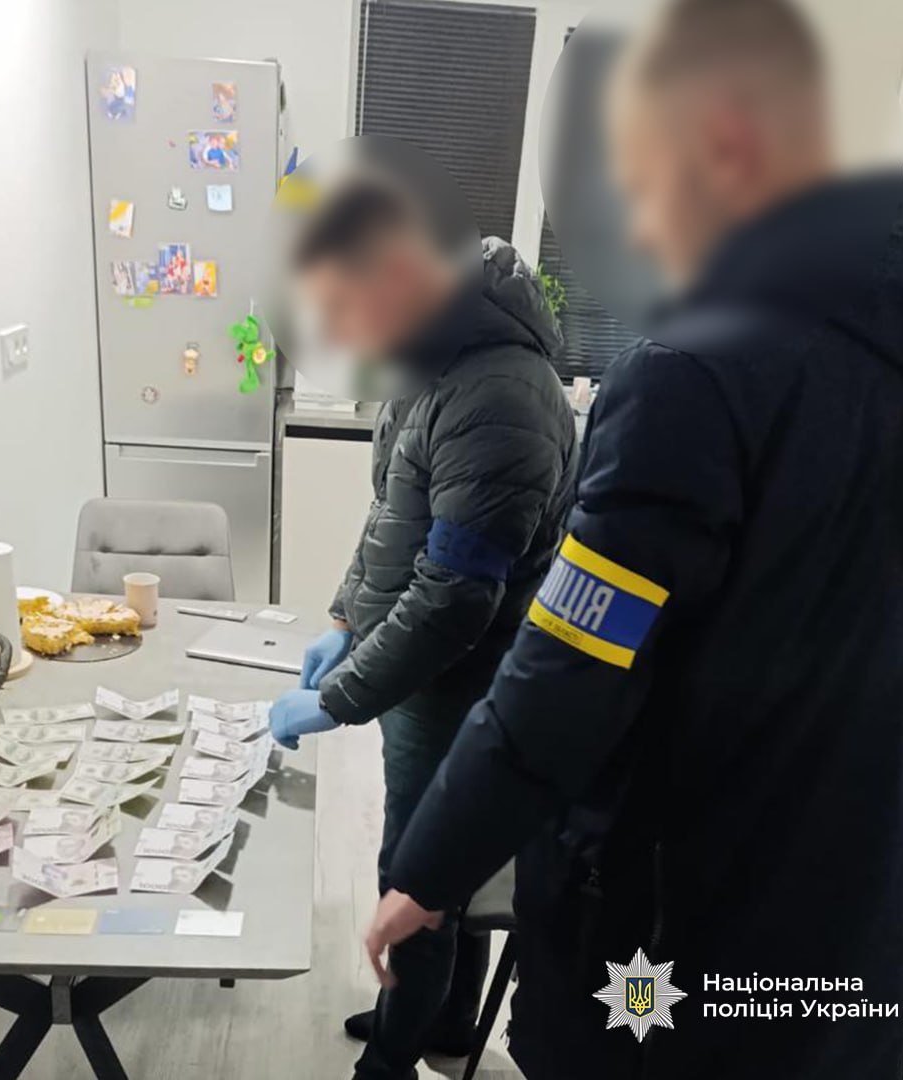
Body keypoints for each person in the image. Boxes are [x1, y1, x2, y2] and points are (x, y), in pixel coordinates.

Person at [364, 2, 903, 1078]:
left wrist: (431, 866)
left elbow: (571, 668)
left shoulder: (701, 370)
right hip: (877, 937)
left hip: (681, 952)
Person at [268, 170, 578, 1079]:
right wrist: (342, 616)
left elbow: (453, 599)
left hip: (461, 680)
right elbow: (391, 516)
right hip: (422, 676)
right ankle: (438, 1021)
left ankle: (393, 1058)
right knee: (443, 855)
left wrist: (341, 697)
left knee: (421, 871)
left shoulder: (501, 396)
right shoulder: (433, 360)